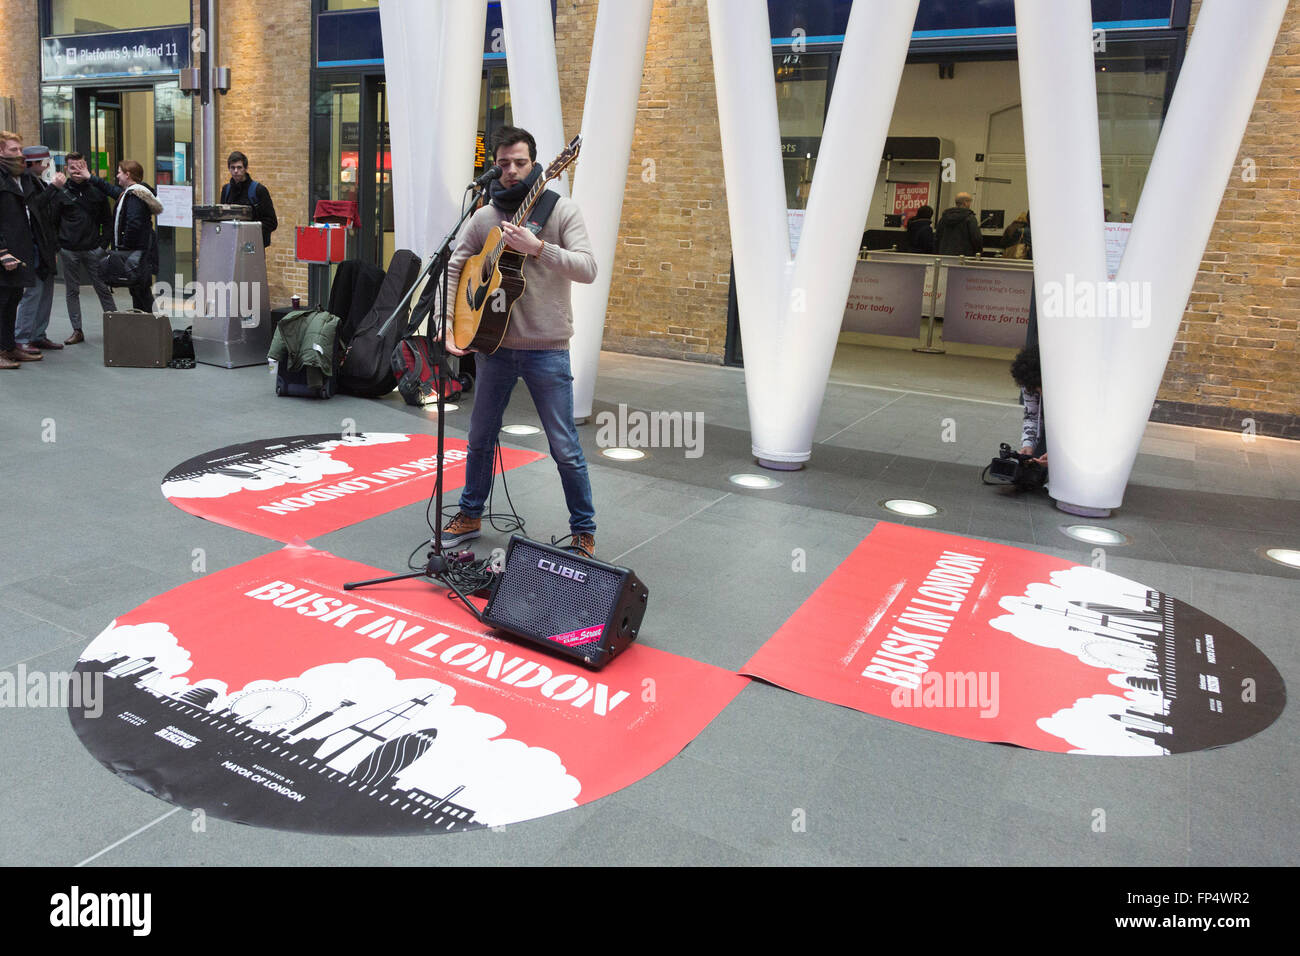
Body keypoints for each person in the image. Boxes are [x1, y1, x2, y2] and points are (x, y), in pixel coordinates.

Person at [439, 126, 599, 557]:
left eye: (520, 163)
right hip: (493, 347)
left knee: (564, 446)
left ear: (537, 164)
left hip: (547, 348)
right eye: (504, 163)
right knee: (479, 436)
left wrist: (538, 247)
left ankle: (583, 530)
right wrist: (449, 321)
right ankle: (471, 512)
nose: (511, 171)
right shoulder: (485, 215)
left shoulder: (561, 211)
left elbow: (588, 268)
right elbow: (456, 263)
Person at [48, 152, 117, 344]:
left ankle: (115, 327)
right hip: (69, 250)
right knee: (72, 291)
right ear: (66, 170)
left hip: (93, 248)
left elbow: (107, 221)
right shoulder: (60, 192)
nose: (76, 171)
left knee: (102, 288)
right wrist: (58, 246)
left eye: (80, 166)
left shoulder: (97, 190)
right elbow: (53, 222)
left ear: (86, 166)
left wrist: (103, 246)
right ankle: (77, 330)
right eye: (72, 167)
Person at [0, 131, 52, 368]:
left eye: (20, 150)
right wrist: (2, 251)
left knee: (13, 301)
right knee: (2, 303)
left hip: (20, 248)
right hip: (6, 251)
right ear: (1, 151)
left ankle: (10, 347)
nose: (19, 154)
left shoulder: (18, 177)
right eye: (13, 150)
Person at [89, 159, 162, 312]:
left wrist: (123, 249)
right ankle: (146, 329)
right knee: (138, 292)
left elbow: (134, 224)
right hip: (139, 253)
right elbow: (111, 190)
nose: (117, 176)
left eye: (119, 172)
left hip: (136, 254)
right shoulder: (131, 194)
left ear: (128, 175)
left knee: (141, 293)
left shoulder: (134, 196)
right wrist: (91, 178)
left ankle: (155, 329)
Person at [14, 145, 63, 352]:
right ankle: (23, 336)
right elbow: (35, 208)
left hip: (43, 245)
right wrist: (54, 188)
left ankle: (36, 334)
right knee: (34, 292)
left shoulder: (36, 182)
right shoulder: (26, 182)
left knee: (44, 292)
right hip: (34, 245)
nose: (46, 165)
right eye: (43, 162)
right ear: (32, 163)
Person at [220, 151, 277, 247]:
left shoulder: (259, 190)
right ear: (229, 169)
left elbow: (272, 222)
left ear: (245, 168)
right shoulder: (226, 190)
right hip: (231, 244)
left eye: (239, 167)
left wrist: (249, 232)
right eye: (232, 168)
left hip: (253, 245)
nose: (236, 171)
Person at [1010, 344, 1046, 466]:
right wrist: (1028, 445)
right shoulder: (1028, 385)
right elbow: (1031, 416)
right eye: (1035, 389)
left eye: (1041, 386)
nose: (1040, 392)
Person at [935, 191, 983, 257]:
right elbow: (976, 238)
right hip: (964, 256)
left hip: (944, 255)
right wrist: (978, 252)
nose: (970, 204)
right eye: (970, 201)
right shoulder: (970, 218)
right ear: (965, 203)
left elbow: (937, 237)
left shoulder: (944, 218)